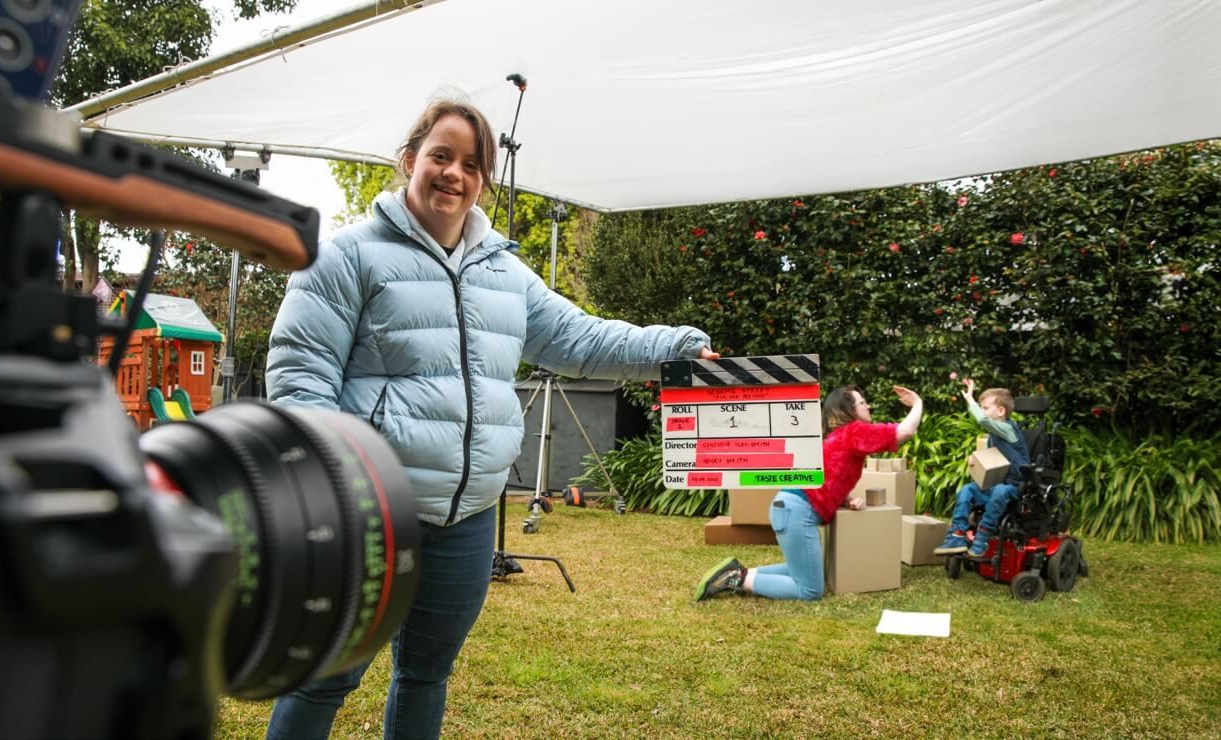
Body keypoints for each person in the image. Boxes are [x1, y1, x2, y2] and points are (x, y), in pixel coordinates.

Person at [262, 97, 719, 740]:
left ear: (484, 182)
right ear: (408, 160)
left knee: (425, 675)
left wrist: (672, 349)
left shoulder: (506, 274)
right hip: (370, 515)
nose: (453, 173)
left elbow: (580, 340)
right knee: (327, 677)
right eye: (440, 156)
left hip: (468, 519)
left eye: (471, 164)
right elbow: (300, 376)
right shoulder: (345, 257)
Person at [695, 384, 922, 601]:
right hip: (798, 511)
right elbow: (905, 431)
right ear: (848, 410)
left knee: (803, 571)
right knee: (810, 590)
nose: (868, 406)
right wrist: (917, 403)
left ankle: (739, 572)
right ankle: (736, 579)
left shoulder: (838, 438)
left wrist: (846, 500)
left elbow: (829, 480)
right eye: (862, 403)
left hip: (790, 507)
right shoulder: (854, 432)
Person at [933, 378, 1031, 558]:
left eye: (986, 407)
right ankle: (956, 534)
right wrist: (975, 460)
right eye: (982, 407)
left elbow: (983, 420)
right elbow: (989, 459)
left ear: (1001, 411)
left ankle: (982, 537)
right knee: (967, 490)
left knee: (1000, 491)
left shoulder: (1009, 429)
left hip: (1013, 486)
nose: (983, 411)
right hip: (994, 485)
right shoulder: (992, 436)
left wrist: (970, 399)